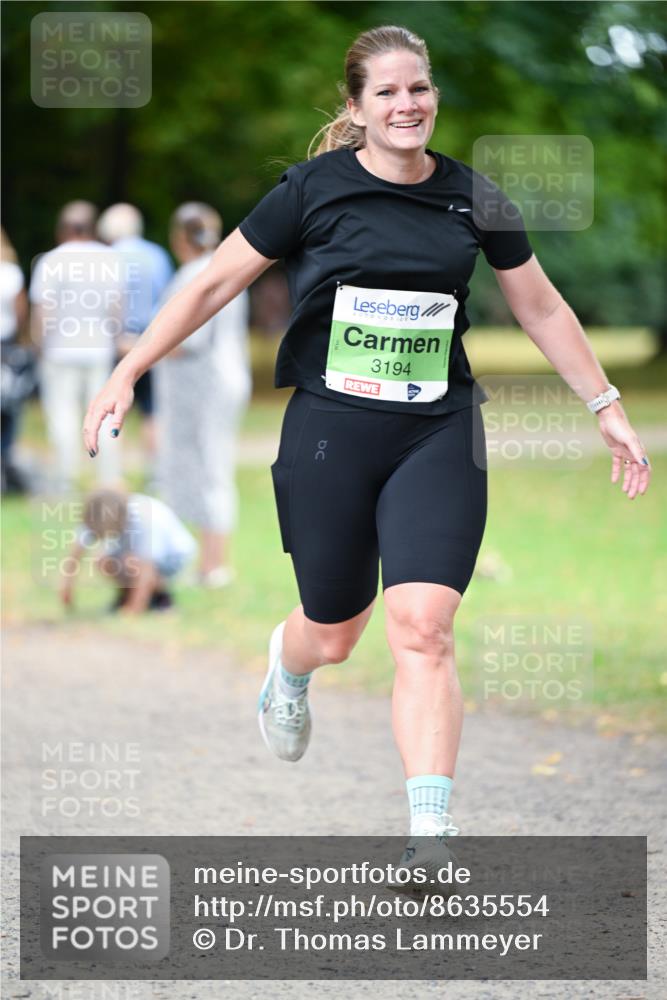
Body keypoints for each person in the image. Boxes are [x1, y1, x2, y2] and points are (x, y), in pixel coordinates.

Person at [84, 26, 651, 850]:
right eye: (385, 92)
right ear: (355, 107)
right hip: (331, 433)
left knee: (422, 625)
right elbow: (211, 285)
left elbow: (540, 306)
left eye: (417, 88)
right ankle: (289, 664)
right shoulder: (309, 191)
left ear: (433, 97)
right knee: (335, 631)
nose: (405, 104)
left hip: (437, 431)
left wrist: (604, 403)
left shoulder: (475, 197)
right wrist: (129, 368)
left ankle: (430, 829)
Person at [153, 202, 251, 586]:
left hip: (202, 385)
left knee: (207, 468)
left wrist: (137, 348)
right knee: (210, 466)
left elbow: (185, 340)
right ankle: (206, 562)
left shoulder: (193, 275)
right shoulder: (227, 267)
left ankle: (212, 564)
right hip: (224, 380)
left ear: (179, 237)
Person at [30, 200, 124, 491]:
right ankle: (108, 477)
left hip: (59, 350)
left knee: (62, 414)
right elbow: (117, 308)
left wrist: (38, 344)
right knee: (104, 413)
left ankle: (65, 477)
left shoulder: (52, 261)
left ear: (62, 229)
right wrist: (114, 341)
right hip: (99, 349)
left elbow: (44, 310)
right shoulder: (109, 259)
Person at [97, 203, 174, 471]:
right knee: (152, 409)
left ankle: (112, 471)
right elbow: (170, 299)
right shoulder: (157, 255)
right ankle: (155, 471)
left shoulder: (107, 258)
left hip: (116, 340)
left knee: (112, 406)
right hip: (152, 337)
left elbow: (104, 303)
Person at [60, 487, 197, 614]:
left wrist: (133, 610)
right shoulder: (97, 514)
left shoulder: (144, 519)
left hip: (173, 556)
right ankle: (126, 596)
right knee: (103, 560)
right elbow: (75, 555)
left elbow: (146, 568)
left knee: (131, 562)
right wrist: (66, 587)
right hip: (134, 553)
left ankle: (161, 598)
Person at [0, 227, 31, 493]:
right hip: (6, 348)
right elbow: (20, 313)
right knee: (8, 409)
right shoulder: (10, 274)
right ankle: (5, 462)